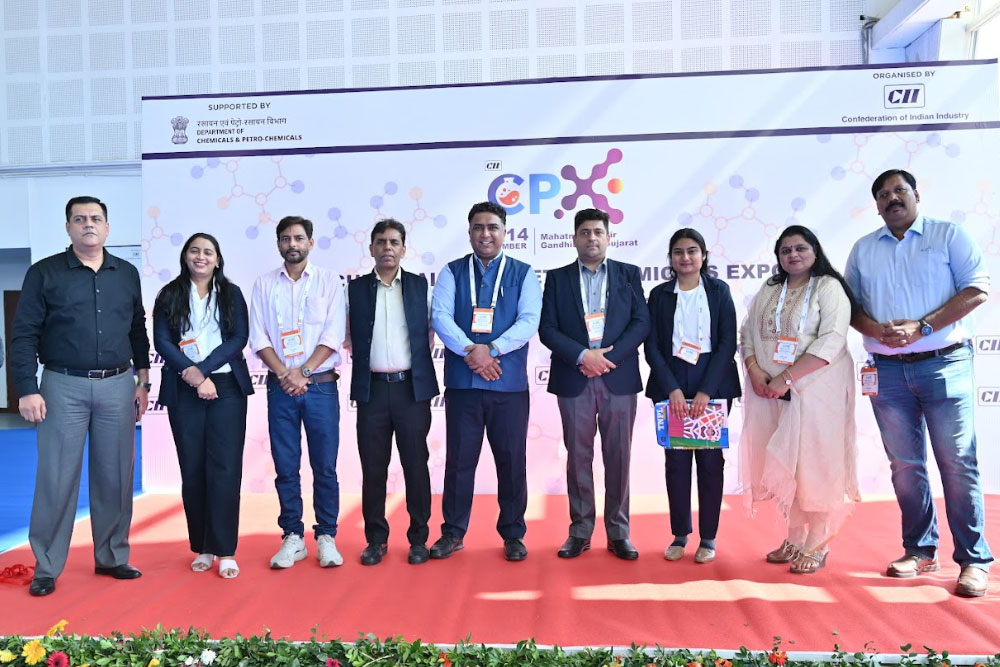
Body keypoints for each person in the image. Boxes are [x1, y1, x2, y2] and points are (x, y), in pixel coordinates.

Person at [845, 169, 992, 597]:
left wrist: (923, 327)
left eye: (899, 190)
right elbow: (849, 306)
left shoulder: (948, 235)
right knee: (906, 466)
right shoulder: (863, 249)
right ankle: (920, 549)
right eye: (883, 194)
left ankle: (974, 560)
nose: (892, 198)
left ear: (916, 195)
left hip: (945, 364)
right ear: (876, 205)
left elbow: (977, 289)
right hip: (887, 371)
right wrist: (876, 329)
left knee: (957, 462)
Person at [10, 195, 150, 597]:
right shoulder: (45, 272)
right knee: (56, 478)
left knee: (115, 476)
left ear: (107, 227)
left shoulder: (126, 273)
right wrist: (27, 388)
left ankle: (111, 556)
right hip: (62, 385)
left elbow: (137, 327)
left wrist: (143, 380)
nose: (89, 224)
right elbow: (24, 333)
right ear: (68, 227)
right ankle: (47, 566)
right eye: (80, 219)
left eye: (96, 218)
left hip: (118, 384)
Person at [739, 225, 860, 574]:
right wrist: (755, 371)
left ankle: (818, 540)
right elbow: (747, 332)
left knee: (814, 463)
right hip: (770, 393)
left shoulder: (828, 287)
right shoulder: (771, 287)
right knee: (783, 463)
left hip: (816, 392)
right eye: (785, 250)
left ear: (815, 251)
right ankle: (794, 536)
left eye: (800, 248)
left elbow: (832, 339)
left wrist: (786, 378)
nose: (793, 254)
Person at [430, 201, 541, 561]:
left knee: (511, 462)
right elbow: (441, 317)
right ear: (469, 233)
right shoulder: (452, 272)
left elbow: (529, 321)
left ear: (505, 232)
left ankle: (513, 533)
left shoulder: (523, 273)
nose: (485, 234)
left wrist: (491, 350)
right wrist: (471, 351)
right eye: (478, 227)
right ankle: (453, 532)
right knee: (459, 463)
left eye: (493, 227)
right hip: (464, 386)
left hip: (508, 387)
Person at [538, 208, 649, 560]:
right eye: (585, 232)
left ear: (608, 237)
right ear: (574, 238)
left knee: (619, 457)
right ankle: (580, 530)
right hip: (575, 377)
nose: (592, 238)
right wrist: (583, 356)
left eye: (598, 232)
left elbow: (641, 322)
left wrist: (606, 359)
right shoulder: (557, 278)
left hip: (618, 377)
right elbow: (547, 328)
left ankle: (619, 532)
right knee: (578, 457)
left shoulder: (628, 274)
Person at [153, 233, 254, 579]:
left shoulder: (231, 293)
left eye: (208, 252)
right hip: (184, 387)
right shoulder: (169, 294)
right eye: (194, 250)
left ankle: (225, 550)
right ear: (185, 256)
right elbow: (162, 341)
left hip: (226, 387)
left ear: (217, 259)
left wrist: (205, 371)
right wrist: (193, 375)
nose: (201, 256)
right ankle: (203, 547)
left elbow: (239, 338)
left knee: (225, 469)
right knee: (193, 468)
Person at [250, 215, 347, 569]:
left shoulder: (328, 281)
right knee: (286, 465)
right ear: (278, 243)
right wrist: (285, 374)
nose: (292, 244)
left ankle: (326, 536)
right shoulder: (264, 284)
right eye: (286, 238)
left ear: (311, 242)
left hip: (320, 385)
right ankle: (292, 535)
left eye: (299, 238)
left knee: (325, 466)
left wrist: (303, 372)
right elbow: (258, 336)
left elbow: (333, 335)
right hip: (280, 388)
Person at [645, 228, 741, 564]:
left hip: (713, 380)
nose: (685, 258)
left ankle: (708, 538)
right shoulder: (659, 295)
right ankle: (680, 534)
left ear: (703, 255)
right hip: (671, 380)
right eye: (678, 252)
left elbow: (727, 342)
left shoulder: (719, 290)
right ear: (670, 258)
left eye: (691, 251)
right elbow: (652, 346)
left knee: (711, 463)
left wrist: (706, 391)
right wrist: (672, 388)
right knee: (676, 463)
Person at [346, 219, 439, 566]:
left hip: (411, 390)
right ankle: (375, 540)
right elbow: (346, 334)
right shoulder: (355, 289)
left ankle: (419, 538)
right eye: (381, 242)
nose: (387, 247)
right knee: (373, 468)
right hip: (371, 391)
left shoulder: (419, 286)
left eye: (394, 242)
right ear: (371, 248)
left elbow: (430, 331)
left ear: (403, 249)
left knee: (416, 465)